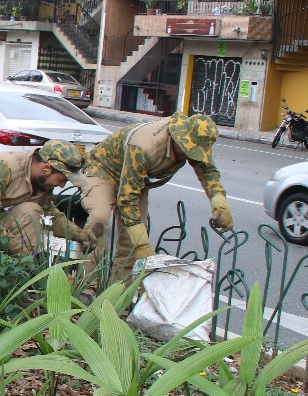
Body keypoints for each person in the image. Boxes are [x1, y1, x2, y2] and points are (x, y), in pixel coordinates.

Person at [80, 112, 232, 278]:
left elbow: (208, 171)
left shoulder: (197, 140)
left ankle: (119, 295)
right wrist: (143, 247)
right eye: (188, 151)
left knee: (132, 240)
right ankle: (88, 287)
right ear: (177, 137)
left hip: (137, 179)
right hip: (104, 170)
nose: (190, 156)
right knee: (99, 220)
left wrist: (219, 201)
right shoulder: (145, 146)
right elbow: (127, 200)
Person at [0, 140, 93, 255]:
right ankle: (18, 270)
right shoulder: (3, 167)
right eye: (62, 179)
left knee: (32, 211)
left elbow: (50, 213)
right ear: (46, 169)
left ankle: (16, 278)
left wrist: (77, 233)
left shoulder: (41, 181)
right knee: (30, 212)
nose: (61, 186)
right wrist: (18, 248)